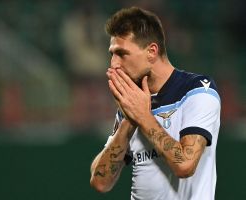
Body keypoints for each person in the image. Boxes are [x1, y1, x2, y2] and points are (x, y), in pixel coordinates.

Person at [90, 7, 220, 200]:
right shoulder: (131, 104)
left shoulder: (198, 91)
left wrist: (142, 116)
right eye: (112, 54)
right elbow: (100, 182)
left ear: (151, 51)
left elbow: (185, 165)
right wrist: (128, 121)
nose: (113, 64)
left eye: (122, 53)